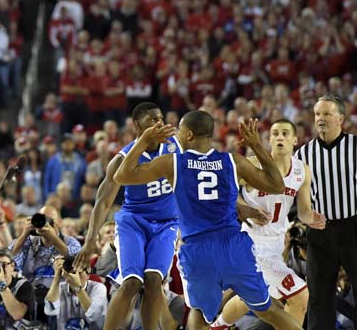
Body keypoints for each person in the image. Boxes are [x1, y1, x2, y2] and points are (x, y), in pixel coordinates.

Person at [113, 111, 302, 330]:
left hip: (198, 249)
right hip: (234, 245)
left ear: (189, 135)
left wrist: (143, 140)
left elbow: (122, 176)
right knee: (267, 309)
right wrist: (257, 146)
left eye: (180, 133)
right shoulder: (232, 160)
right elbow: (277, 185)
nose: (177, 138)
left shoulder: (173, 163)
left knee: (200, 314)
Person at [73, 102, 181, 330]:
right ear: (136, 125)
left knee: (154, 281)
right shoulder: (122, 159)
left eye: (160, 118)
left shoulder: (176, 147)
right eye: (151, 120)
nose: (158, 123)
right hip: (134, 221)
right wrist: (91, 239)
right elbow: (103, 202)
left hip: (167, 223)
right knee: (132, 282)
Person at [214, 119, 327, 328]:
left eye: (285, 133)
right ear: (269, 140)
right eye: (275, 134)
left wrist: (314, 218)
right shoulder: (253, 165)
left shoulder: (302, 171)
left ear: (295, 140)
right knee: (300, 295)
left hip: (276, 244)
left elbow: (302, 212)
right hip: (252, 241)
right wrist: (244, 208)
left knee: (255, 295)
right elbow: (222, 191)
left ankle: (217, 326)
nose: (280, 137)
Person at [294, 95, 357, 330]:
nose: (321, 119)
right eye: (318, 114)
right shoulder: (302, 155)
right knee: (319, 296)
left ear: (341, 118)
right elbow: (298, 199)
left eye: (327, 114)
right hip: (320, 230)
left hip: (353, 226)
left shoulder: (355, 146)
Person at [45, 256, 107, 330]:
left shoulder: (99, 288)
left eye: (79, 273)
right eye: (71, 272)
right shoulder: (60, 287)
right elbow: (50, 309)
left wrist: (78, 287)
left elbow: (93, 314)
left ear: (88, 274)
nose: (75, 276)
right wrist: (57, 277)